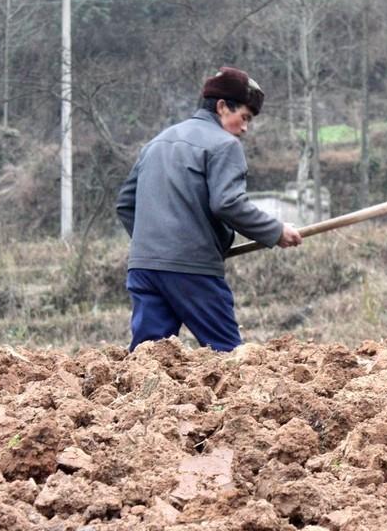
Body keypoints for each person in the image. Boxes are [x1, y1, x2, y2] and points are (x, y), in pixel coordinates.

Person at [116, 66, 303, 352]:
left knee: (148, 359)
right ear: (222, 107)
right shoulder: (224, 145)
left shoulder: (157, 143)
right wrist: (276, 231)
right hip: (192, 272)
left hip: (144, 268)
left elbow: (126, 204)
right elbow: (228, 202)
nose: (244, 128)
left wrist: (154, 243)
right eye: (244, 117)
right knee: (228, 355)